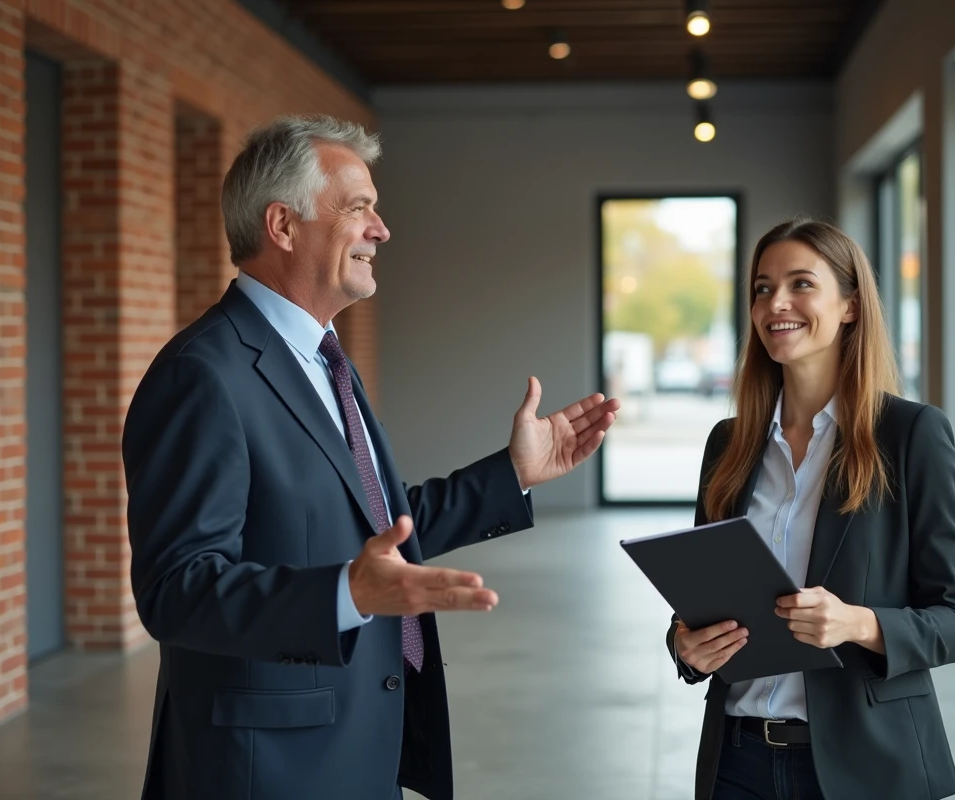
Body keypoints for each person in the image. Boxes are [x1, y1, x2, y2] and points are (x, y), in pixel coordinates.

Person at [122, 114, 619, 800]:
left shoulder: (325, 360)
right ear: (283, 225)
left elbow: (381, 524)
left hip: (359, 743)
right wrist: (344, 595)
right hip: (266, 771)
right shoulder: (202, 375)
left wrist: (513, 475)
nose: (381, 230)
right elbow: (175, 589)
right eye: (359, 209)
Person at [666, 218, 955, 800]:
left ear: (850, 306)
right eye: (762, 288)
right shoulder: (727, 443)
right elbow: (700, 604)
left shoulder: (911, 436)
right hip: (737, 763)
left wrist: (857, 623)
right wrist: (686, 648)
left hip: (865, 766)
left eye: (801, 283)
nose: (776, 303)